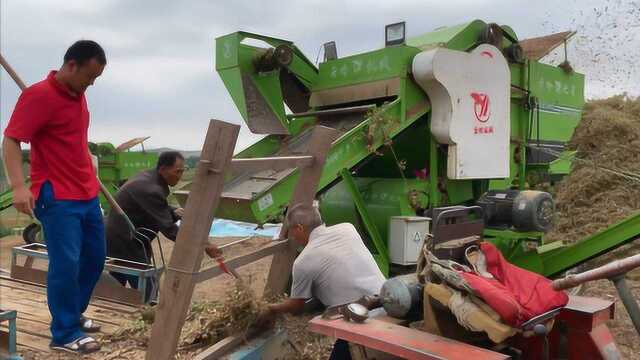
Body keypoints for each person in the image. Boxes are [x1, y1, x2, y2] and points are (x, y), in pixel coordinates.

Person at [3, 40, 107, 354]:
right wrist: (20, 186)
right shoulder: (38, 96)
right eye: (89, 75)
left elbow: (74, 140)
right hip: (57, 195)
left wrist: (90, 168)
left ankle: (73, 314)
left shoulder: (79, 96)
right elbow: (10, 140)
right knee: (66, 264)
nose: (91, 83)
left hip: (86, 191)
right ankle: (64, 333)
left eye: (96, 79)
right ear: (71, 65)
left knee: (95, 258)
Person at [257, 203, 385, 360]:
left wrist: (272, 308)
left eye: (291, 230)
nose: (292, 236)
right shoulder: (348, 228)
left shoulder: (303, 261)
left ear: (299, 228)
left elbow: (296, 306)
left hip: (361, 318)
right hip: (388, 302)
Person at [105, 151, 221, 296]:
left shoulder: (148, 178)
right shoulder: (150, 189)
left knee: (117, 281)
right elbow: (169, 229)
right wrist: (204, 245)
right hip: (127, 241)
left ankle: (112, 303)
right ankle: (151, 313)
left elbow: (151, 207)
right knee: (148, 291)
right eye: (177, 172)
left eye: (182, 172)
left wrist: (173, 211)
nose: (179, 176)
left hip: (118, 236)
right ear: (163, 169)